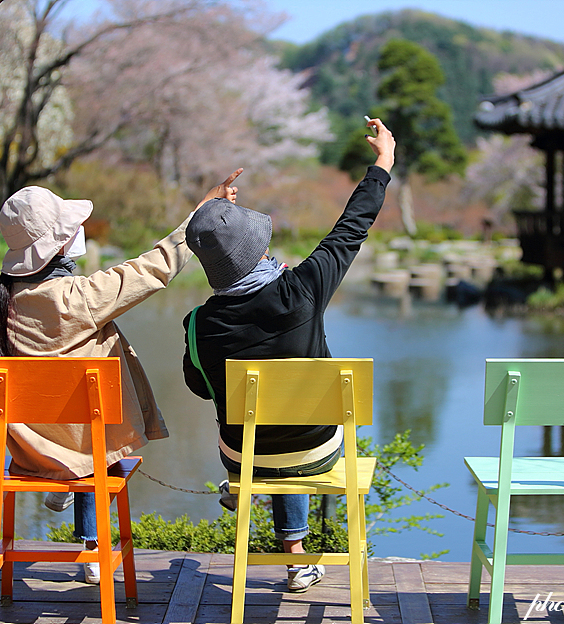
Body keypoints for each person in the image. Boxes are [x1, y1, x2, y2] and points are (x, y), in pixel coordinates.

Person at [0, 170, 241, 584]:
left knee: (77, 397)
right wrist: (201, 212)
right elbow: (153, 268)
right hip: (86, 446)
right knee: (98, 427)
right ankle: (94, 548)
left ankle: (72, 510)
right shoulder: (75, 298)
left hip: (27, 450)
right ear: (58, 245)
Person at [182, 118, 395, 592]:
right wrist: (383, 163)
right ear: (259, 249)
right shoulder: (302, 289)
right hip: (315, 450)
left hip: (242, 455)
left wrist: (207, 215)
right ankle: (298, 559)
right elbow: (349, 230)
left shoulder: (199, 324)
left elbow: (200, 387)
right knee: (291, 425)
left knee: (260, 420)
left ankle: (283, 541)